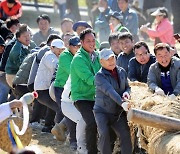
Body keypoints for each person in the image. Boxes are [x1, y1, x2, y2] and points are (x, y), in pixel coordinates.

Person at [94, 48, 132, 154]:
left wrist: (127, 93)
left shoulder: (121, 71)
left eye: (112, 58)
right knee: (104, 134)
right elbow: (110, 91)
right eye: (107, 59)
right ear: (101, 62)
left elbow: (128, 87)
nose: (111, 61)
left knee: (125, 135)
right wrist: (122, 103)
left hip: (118, 112)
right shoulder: (99, 76)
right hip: (102, 112)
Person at [70, 28, 101, 154]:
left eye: (93, 40)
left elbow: (104, 72)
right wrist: (106, 83)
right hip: (81, 97)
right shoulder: (78, 59)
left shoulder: (97, 55)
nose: (92, 43)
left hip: (95, 96)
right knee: (92, 122)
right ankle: (91, 151)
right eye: (88, 41)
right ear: (81, 43)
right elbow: (89, 79)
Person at [34, 39, 65, 132]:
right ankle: (59, 130)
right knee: (60, 108)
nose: (60, 51)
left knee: (53, 107)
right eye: (58, 49)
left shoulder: (57, 56)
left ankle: (48, 127)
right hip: (42, 90)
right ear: (52, 48)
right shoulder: (49, 55)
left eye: (62, 49)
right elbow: (55, 65)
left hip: (47, 89)